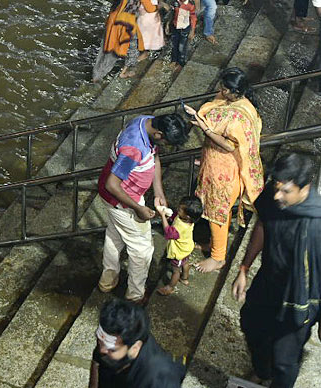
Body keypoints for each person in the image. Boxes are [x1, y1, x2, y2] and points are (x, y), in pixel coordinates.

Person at [233, 152, 321, 388]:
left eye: (286, 191)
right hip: (268, 283)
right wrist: (244, 268)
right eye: (276, 188)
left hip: (299, 297)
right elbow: (263, 225)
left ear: (305, 188)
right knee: (251, 325)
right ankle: (261, 371)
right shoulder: (273, 196)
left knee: (284, 359)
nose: (278, 195)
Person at [96, 112, 190, 302]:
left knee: (115, 235)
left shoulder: (146, 121)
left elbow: (154, 156)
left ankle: (107, 281)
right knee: (142, 249)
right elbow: (112, 184)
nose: (166, 147)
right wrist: (138, 208)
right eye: (167, 142)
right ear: (158, 134)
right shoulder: (133, 148)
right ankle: (135, 295)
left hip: (122, 196)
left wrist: (158, 191)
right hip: (122, 200)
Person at [183, 67, 264, 272]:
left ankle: (218, 257)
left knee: (216, 212)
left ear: (233, 91)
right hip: (216, 164)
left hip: (224, 172)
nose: (220, 91)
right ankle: (216, 245)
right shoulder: (239, 103)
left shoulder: (239, 116)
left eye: (224, 89)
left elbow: (230, 145)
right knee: (220, 211)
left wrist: (206, 129)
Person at [90, 298, 186, 387]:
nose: (101, 350)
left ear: (135, 348)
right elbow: (97, 364)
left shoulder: (159, 378)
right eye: (99, 341)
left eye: (112, 350)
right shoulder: (108, 341)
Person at [92, 0, 158, 82]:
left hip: (113, 18)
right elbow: (149, 7)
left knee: (106, 49)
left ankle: (96, 74)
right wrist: (158, 7)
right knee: (123, 49)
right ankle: (109, 75)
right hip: (125, 23)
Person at [157, 196, 202, 296]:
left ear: (187, 216)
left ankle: (170, 287)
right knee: (185, 263)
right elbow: (176, 218)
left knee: (176, 270)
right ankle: (184, 278)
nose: (178, 209)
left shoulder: (180, 227)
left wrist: (163, 216)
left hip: (179, 252)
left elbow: (168, 233)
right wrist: (170, 217)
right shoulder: (188, 220)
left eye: (180, 209)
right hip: (187, 247)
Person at [169, 0, 197, 71]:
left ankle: (180, 62)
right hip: (175, 26)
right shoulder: (176, 3)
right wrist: (167, 24)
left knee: (182, 47)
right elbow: (172, 14)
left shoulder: (190, 6)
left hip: (184, 29)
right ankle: (174, 60)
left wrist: (192, 31)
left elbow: (193, 18)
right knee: (174, 44)